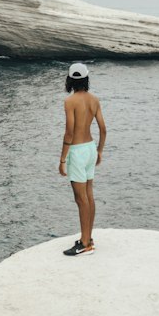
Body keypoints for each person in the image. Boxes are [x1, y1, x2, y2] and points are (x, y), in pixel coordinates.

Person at [58, 61, 106, 256]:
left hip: (77, 151)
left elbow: (69, 132)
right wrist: (100, 151)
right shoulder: (94, 100)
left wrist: (62, 159)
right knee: (89, 195)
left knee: (80, 199)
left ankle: (85, 243)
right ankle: (88, 238)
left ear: (70, 79)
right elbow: (103, 128)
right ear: (86, 79)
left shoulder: (70, 102)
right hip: (90, 148)